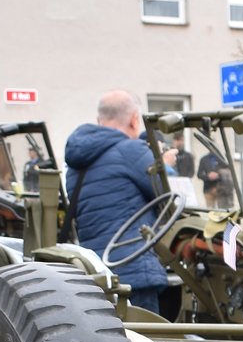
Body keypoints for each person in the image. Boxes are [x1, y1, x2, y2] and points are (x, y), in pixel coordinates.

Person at [63, 90, 170, 312]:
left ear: (99, 121)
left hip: (96, 272)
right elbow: (168, 195)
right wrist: (165, 163)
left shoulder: (76, 164)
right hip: (134, 271)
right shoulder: (131, 151)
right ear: (134, 119)